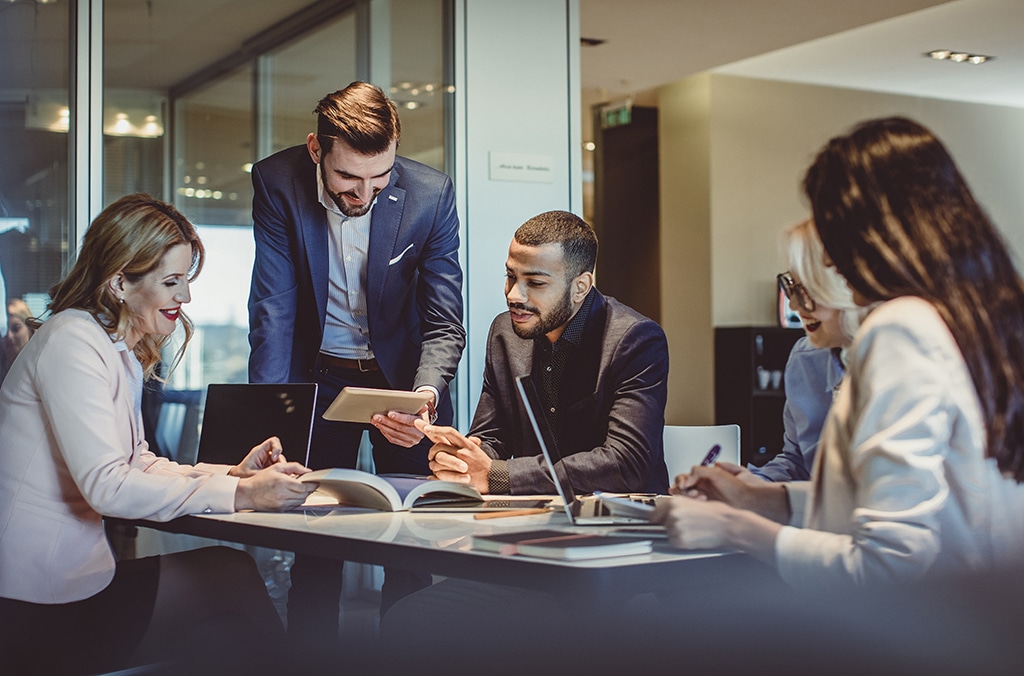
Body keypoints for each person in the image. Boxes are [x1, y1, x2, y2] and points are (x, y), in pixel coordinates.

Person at [654, 116, 1024, 587]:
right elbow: (932, 507)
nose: (829, 260)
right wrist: (766, 501)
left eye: (834, 231)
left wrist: (737, 529)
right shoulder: (984, 322)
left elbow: (892, 561)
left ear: (878, 227)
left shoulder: (901, 327)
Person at [0, 194, 316, 674]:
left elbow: (138, 460)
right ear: (120, 282)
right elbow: (108, 485)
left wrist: (233, 474)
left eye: (185, 280)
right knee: (230, 577)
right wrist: (244, 495)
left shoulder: (113, 346)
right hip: (33, 604)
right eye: (171, 282)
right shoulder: (72, 341)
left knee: (223, 633)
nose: (185, 297)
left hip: (64, 586)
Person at [247, 81, 465, 644]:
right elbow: (274, 309)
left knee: (410, 539)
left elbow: (443, 321)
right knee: (317, 543)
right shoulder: (277, 181)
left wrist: (424, 397)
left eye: (379, 177)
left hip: (401, 385)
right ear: (317, 150)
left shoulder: (430, 194)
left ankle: (406, 656)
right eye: (347, 178)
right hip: (319, 379)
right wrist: (271, 414)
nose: (363, 193)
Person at [420, 209, 669, 495]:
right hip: (534, 514)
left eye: (535, 283)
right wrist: (462, 460)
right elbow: (492, 437)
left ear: (580, 287)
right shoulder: (505, 332)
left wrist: (498, 476)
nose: (514, 295)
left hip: (622, 522)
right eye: (510, 276)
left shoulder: (635, 339)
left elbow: (626, 465)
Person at [749, 219, 865, 482]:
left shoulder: (896, 361)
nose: (794, 304)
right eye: (790, 286)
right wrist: (751, 482)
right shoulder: (805, 358)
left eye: (805, 290)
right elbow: (798, 462)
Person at [0, 298, 34, 384]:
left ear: (30, 330)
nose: (9, 335)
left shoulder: (38, 370)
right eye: (3, 331)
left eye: (16, 328)